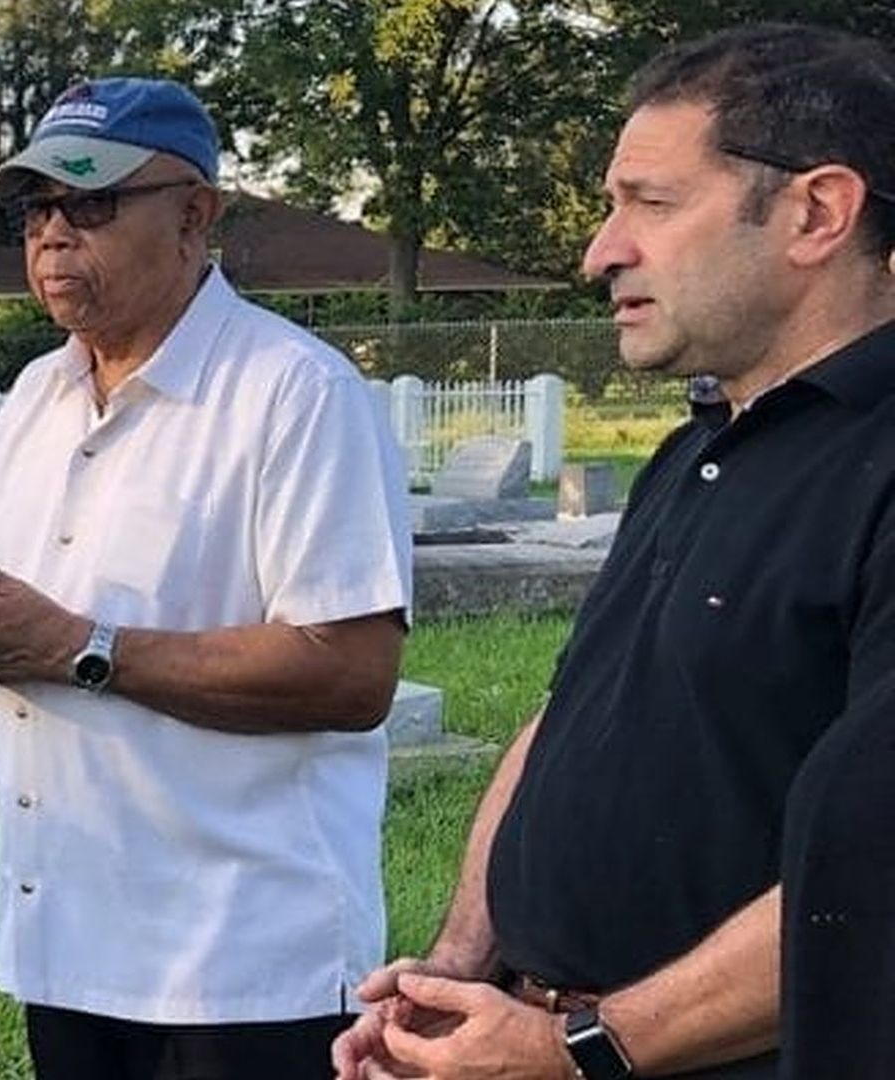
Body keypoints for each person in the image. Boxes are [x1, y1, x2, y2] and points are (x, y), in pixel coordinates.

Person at [332, 23, 895, 1080]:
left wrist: (586, 1046)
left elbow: (874, 879)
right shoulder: (699, 448)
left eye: (651, 203)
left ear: (817, 212)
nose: (601, 250)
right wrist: (461, 972)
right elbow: (569, 716)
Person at [0, 77, 412, 1079]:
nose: (51, 236)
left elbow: (352, 676)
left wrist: (79, 648)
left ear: (194, 214)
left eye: (90, 204)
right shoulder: (37, 398)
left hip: (243, 964)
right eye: (37, 208)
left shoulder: (294, 396)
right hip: (69, 941)